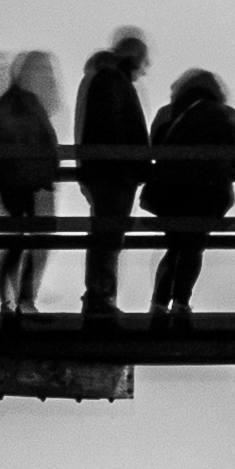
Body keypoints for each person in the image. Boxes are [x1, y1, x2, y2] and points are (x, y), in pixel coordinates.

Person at [142, 68, 235, 319]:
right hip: (207, 192)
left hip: (169, 192)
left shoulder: (166, 113)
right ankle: (181, 304)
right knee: (194, 246)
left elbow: (154, 149)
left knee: (174, 245)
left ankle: (158, 304)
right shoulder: (225, 113)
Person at [75, 29, 152, 318]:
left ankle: (101, 295)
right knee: (108, 234)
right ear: (134, 57)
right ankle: (100, 296)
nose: (146, 68)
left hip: (107, 170)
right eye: (144, 60)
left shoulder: (104, 77)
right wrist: (131, 164)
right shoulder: (112, 79)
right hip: (114, 172)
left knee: (107, 233)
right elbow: (113, 126)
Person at [0, 51, 61, 316]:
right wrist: (48, 174)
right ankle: (17, 300)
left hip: (24, 182)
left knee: (25, 241)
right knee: (21, 241)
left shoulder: (14, 103)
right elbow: (46, 141)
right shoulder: (22, 104)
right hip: (22, 183)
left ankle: (18, 299)